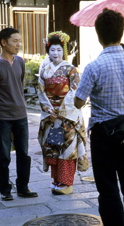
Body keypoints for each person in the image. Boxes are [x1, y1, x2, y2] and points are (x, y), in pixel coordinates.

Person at [74, 8, 124, 226]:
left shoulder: (93, 66)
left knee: (107, 187)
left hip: (103, 132)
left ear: (99, 36)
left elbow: (78, 101)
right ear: (121, 33)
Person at [0, 27, 38, 201]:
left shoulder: (20, 62)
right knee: (4, 155)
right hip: (2, 117)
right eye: (15, 41)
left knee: (24, 153)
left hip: (20, 114)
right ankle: (5, 189)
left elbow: (19, 86)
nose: (18, 44)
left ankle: (23, 186)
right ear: (3, 42)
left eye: (19, 41)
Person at [37, 31, 89, 195]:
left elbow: (76, 90)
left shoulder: (70, 69)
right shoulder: (44, 69)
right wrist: (49, 110)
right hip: (51, 115)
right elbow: (40, 91)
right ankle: (57, 180)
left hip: (67, 115)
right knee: (53, 147)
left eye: (59, 50)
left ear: (64, 51)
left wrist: (62, 110)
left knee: (67, 148)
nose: (55, 53)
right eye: (52, 50)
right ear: (48, 51)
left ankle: (67, 183)